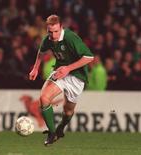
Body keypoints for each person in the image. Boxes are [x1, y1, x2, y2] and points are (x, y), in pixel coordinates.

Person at [29, 14, 94, 146]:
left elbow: (89, 57)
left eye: (56, 31)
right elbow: (41, 51)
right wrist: (35, 68)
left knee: (68, 111)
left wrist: (69, 68)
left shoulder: (70, 38)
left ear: (61, 27)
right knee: (44, 98)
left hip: (77, 77)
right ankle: (52, 133)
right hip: (59, 72)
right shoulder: (48, 39)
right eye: (50, 32)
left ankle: (60, 128)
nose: (53, 35)